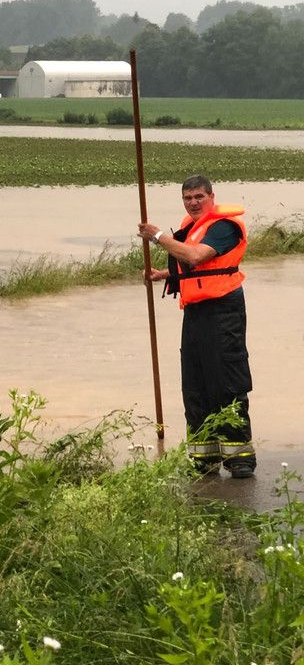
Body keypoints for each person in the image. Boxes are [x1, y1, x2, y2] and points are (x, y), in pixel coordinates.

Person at [137, 175, 255, 478]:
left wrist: (157, 235)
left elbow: (196, 255)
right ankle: (204, 458)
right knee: (195, 384)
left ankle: (239, 459)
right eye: (187, 198)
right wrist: (165, 274)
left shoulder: (225, 227)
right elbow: (194, 268)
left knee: (226, 382)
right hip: (195, 312)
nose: (193, 203)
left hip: (224, 310)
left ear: (211, 197)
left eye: (199, 197)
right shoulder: (191, 227)